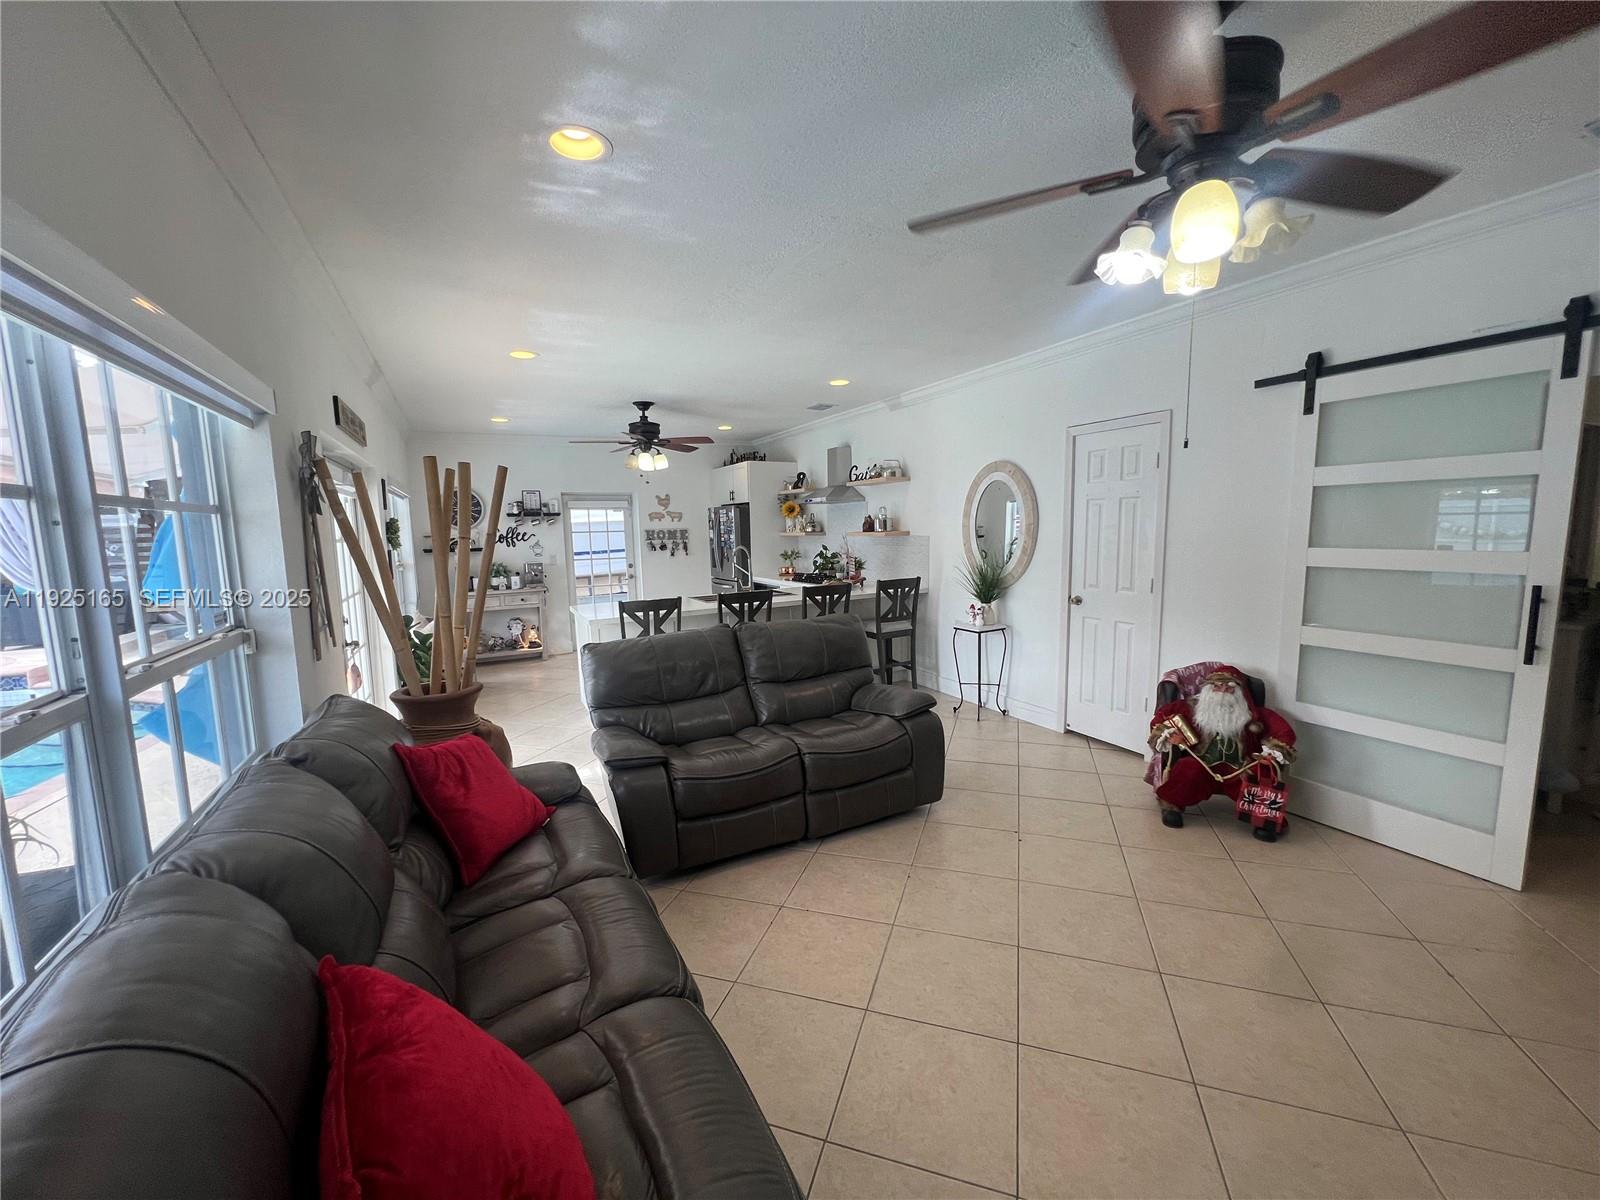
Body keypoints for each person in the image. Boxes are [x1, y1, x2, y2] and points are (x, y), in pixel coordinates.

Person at [1148, 666, 1295, 828]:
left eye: (1230, 687)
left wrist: (1274, 752)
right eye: (1217, 686)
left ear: (1239, 691)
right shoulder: (1189, 708)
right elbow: (1160, 719)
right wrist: (1170, 734)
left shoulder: (1253, 714)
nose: (1223, 691)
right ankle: (1172, 806)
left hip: (1239, 768)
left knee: (1260, 773)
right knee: (1188, 768)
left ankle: (1266, 821)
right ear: (1208, 689)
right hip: (1202, 764)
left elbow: (1283, 732)